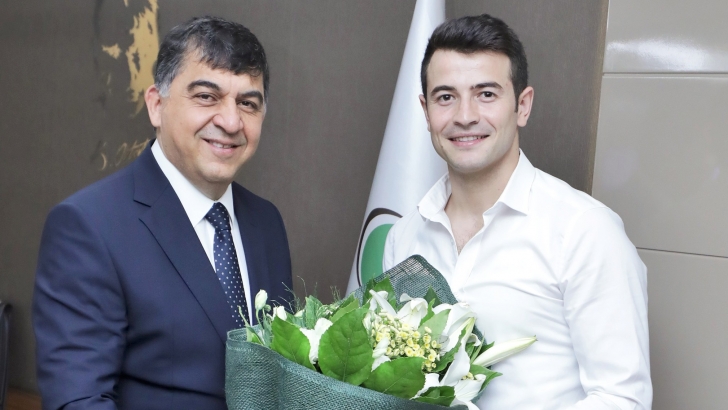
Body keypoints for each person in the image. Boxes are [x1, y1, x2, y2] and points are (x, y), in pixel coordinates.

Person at [383, 14, 651, 409]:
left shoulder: (585, 231)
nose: (465, 116)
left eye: (486, 94)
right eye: (446, 97)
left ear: (522, 106)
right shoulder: (404, 237)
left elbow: (622, 398)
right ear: (426, 111)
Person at [33, 16, 293, 410]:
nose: (230, 121)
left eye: (247, 103)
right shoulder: (88, 227)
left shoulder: (266, 222)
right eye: (206, 96)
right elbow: (78, 401)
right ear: (156, 105)